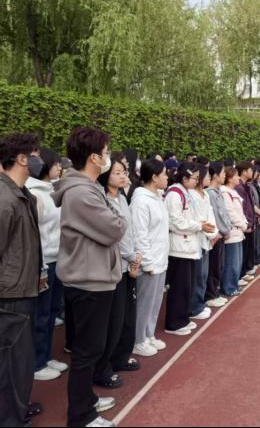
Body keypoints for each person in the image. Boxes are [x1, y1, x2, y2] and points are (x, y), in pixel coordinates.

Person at [52, 127, 128, 428]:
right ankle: (80, 415)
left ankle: (86, 400)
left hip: (94, 277)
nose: (109, 158)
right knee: (87, 350)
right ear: (94, 158)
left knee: (92, 347)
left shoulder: (89, 187)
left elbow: (114, 222)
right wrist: (117, 217)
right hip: (88, 281)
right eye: (106, 153)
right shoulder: (82, 193)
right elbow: (116, 228)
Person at [0, 133, 43, 427]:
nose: (41, 160)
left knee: (21, 360)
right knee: (11, 362)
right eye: (36, 154)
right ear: (22, 158)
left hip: (23, 287)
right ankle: (10, 418)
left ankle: (17, 408)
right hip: (10, 293)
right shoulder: (5, 199)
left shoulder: (22, 194)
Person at [94, 154, 142, 390]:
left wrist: (135, 256)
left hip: (127, 265)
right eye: (117, 172)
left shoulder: (122, 198)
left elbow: (129, 231)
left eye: (124, 172)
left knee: (125, 317)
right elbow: (115, 235)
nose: (123, 176)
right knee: (111, 321)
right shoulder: (102, 200)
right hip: (112, 266)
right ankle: (103, 368)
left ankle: (120, 357)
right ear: (105, 176)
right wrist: (132, 256)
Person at [25, 148, 69, 383]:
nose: (60, 167)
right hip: (43, 262)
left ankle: (46, 356)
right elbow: (35, 234)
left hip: (56, 258)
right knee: (41, 314)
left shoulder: (51, 190)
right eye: (56, 164)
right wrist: (41, 265)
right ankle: (36, 363)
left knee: (52, 311)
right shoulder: (34, 194)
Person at [130, 159, 170, 358]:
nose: (167, 177)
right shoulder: (141, 201)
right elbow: (140, 234)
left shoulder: (158, 197)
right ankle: (138, 340)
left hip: (161, 258)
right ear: (154, 177)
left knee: (155, 302)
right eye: (164, 174)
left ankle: (149, 333)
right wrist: (147, 262)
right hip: (149, 262)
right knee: (144, 303)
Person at [164, 162, 203, 337]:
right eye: (195, 178)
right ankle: (174, 323)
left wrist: (199, 225)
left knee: (187, 287)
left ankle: (183, 318)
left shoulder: (185, 192)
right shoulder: (174, 194)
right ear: (184, 178)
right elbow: (175, 222)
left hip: (188, 246)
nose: (197, 181)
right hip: (179, 247)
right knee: (179, 288)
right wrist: (198, 225)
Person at [189, 166, 218, 320]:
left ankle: (199, 304)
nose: (209, 178)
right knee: (198, 275)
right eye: (207, 176)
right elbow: (198, 219)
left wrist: (213, 233)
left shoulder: (205, 194)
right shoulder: (192, 195)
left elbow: (210, 216)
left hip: (207, 237)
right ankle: (195, 307)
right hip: (198, 238)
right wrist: (209, 232)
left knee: (204, 274)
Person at [205, 162, 232, 309]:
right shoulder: (210, 194)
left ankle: (215, 292)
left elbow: (224, 213)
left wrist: (227, 229)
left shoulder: (218, 192)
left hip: (221, 234)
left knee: (219, 265)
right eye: (223, 173)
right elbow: (216, 216)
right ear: (215, 175)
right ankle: (210, 295)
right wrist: (223, 231)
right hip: (216, 235)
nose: (225, 175)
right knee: (214, 266)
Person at [222, 168, 248, 297]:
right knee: (231, 263)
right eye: (236, 175)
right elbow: (230, 213)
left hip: (239, 232)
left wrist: (244, 222)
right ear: (230, 178)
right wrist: (242, 224)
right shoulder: (224, 192)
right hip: (232, 232)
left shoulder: (233, 192)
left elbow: (240, 211)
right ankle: (228, 287)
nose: (238, 178)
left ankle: (234, 284)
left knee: (237, 262)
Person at [235, 162, 257, 281]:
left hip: (249, 221)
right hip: (244, 223)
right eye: (250, 170)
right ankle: (240, 274)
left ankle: (243, 272)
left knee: (247, 249)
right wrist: (247, 222)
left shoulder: (246, 185)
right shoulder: (239, 187)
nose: (252, 172)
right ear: (244, 172)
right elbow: (242, 208)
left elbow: (250, 205)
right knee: (242, 250)